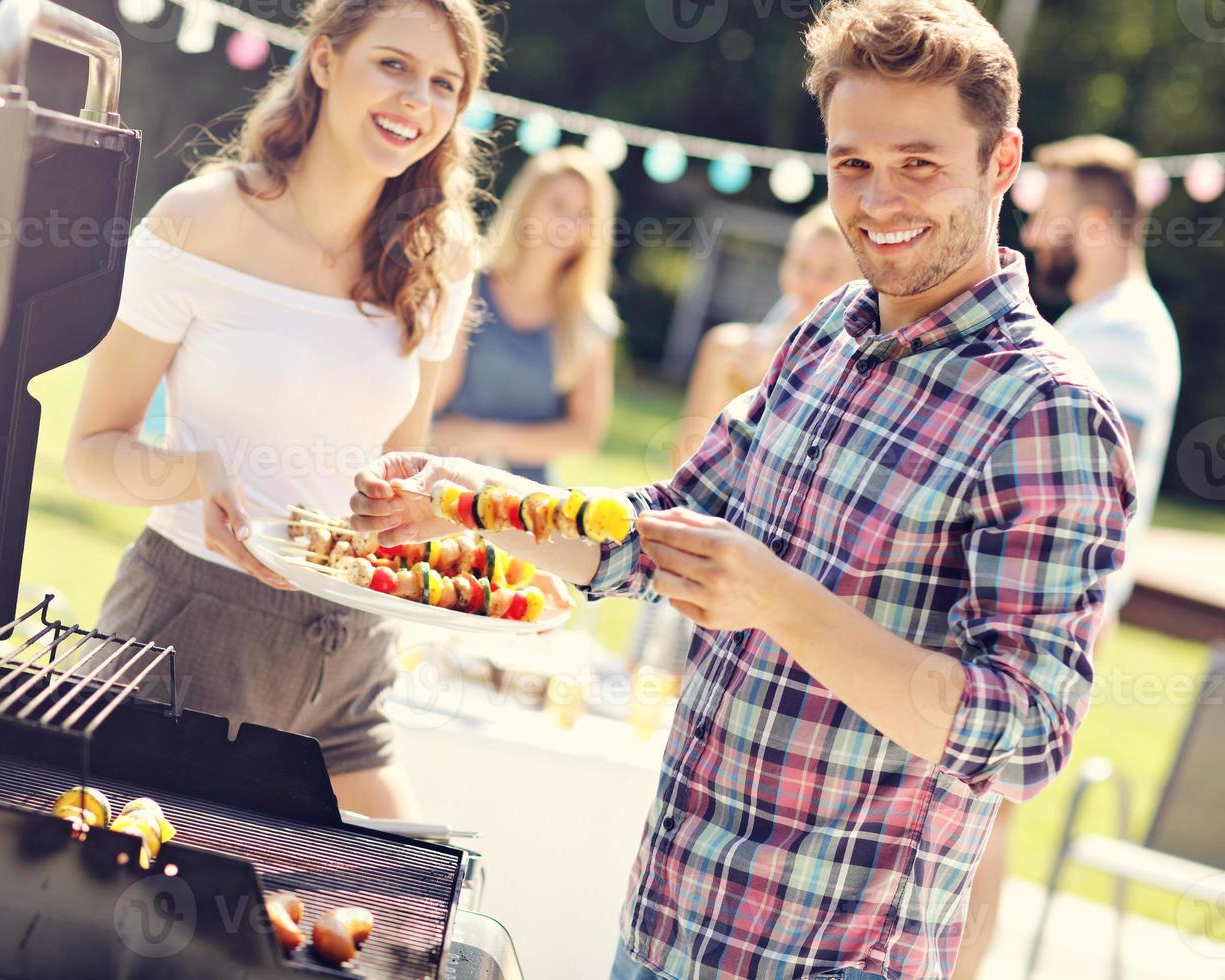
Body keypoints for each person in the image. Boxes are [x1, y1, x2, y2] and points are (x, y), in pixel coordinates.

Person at [348, 1, 1136, 975]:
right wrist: (471, 500)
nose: (879, 199)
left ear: (1002, 162)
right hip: (667, 926)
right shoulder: (826, 333)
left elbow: (1024, 733)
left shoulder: (1048, 411)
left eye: (919, 163)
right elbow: (652, 534)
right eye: (854, 164)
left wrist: (779, 602)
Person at [63, 0, 497, 820]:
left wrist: (426, 522)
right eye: (393, 65)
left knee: (402, 909)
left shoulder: (442, 254)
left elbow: (399, 476)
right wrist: (195, 475)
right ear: (326, 62)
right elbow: (88, 452)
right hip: (186, 638)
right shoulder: (202, 221)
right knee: (139, 912)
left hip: (352, 651)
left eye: (445, 83)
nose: (417, 100)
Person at [952, 133, 1181, 980]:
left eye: (1045, 218)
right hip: (1064, 603)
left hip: (1066, 609)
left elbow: (1080, 497)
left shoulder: (1122, 340)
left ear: (1088, 224)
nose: (1034, 235)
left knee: (990, 814)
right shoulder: (1106, 325)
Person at [431, 145, 620, 483]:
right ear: (527, 203)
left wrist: (487, 436)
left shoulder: (589, 320)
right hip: (442, 476)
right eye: (557, 205)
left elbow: (584, 434)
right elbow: (435, 393)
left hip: (525, 503)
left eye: (583, 216)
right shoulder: (467, 285)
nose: (566, 225)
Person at [674, 200, 860, 466]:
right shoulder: (725, 346)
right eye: (801, 266)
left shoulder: (850, 375)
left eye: (829, 273)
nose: (808, 283)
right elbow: (684, 463)